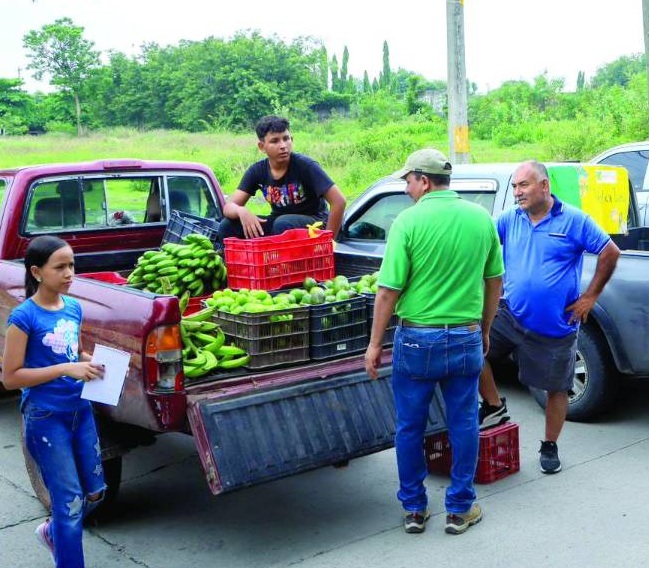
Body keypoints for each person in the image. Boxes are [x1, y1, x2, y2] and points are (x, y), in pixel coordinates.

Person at [365, 149, 504, 536]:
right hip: (466, 336)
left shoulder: (407, 222)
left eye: (408, 181)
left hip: (417, 341)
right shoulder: (480, 218)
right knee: (464, 422)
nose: (406, 189)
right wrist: (485, 328)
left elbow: (388, 291)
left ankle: (414, 509)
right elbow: (495, 281)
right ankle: (460, 509)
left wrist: (374, 344)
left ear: (424, 181)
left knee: (410, 427)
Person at [478, 161, 620, 474]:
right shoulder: (510, 219)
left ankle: (549, 445)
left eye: (523, 185)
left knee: (557, 388)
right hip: (511, 315)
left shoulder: (574, 220)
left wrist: (590, 297)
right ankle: (494, 405)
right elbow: (482, 242)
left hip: (555, 325)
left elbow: (610, 252)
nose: (517, 192)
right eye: (514, 186)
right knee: (471, 349)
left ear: (544, 185)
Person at [0, 236, 107, 568]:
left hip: (81, 411)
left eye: (72, 265)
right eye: (60, 267)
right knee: (70, 501)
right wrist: (65, 368)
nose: (69, 273)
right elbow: (11, 377)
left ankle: (54, 532)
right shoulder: (23, 317)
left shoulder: (73, 308)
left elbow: (70, 350)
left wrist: (88, 362)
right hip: (46, 418)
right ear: (36, 272)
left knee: (96, 493)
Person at [218, 115, 347, 239]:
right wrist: (242, 211)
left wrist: (329, 241)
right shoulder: (257, 171)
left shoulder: (306, 165)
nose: (283, 146)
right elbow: (229, 207)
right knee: (228, 225)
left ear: (292, 139)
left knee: (283, 224)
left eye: (286, 139)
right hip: (280, 223)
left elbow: (339, 201)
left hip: (314, 223)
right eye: (275, 141)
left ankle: (279, 254)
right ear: (262, 147)